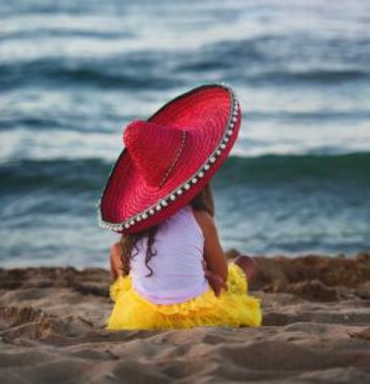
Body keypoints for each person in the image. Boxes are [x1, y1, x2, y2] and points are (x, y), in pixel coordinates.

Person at [98, 83, 262, 329]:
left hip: (144, 314)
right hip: (196, 312)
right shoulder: (200, 218)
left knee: (116, 251)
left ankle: (124, 297)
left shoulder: (135, 225)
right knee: (247, 264)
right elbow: (222, 277)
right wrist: (205, 274)